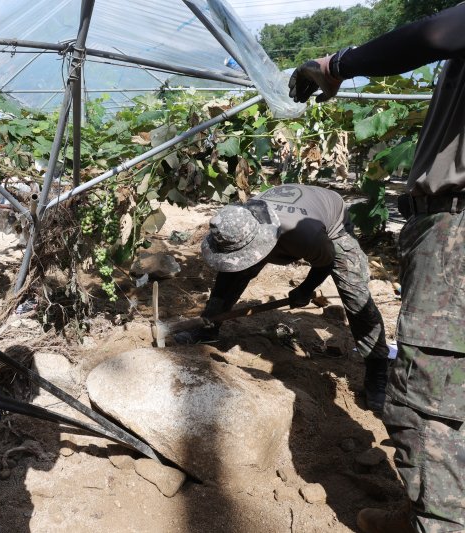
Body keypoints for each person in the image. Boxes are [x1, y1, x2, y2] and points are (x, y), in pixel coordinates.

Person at [288, 4, 465, 532]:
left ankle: (439, 521)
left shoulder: (317, 227)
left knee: (433, 397)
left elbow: (434, 33)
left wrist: (334, 63)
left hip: (456, 233)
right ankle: (431, 508)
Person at [179, 184, 390, 414]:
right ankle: (208, 327)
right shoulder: (239, 221)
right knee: (233, 273)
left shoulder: (304, 235)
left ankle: (377, 371)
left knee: (356, 297)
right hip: (291, 215)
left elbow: (326, 263)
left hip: (331, 219)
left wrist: (305, 290)